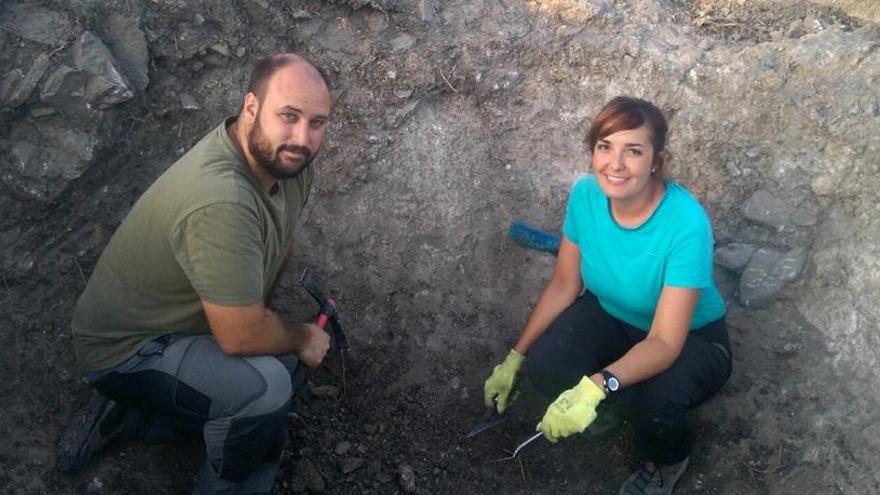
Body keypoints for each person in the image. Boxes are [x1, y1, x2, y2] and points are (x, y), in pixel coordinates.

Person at [57, 53, 334, 495]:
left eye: (317, 123)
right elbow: (240, 338)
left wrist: (259, 315)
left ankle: (142, 416)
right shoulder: (222, 200)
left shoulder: (287, 163)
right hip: (125, 350)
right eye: (289, 116)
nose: (302, 138)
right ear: (250, 108)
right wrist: (299, 335)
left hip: (179, 322)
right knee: (267, 389)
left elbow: (279, 239)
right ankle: (223, 480)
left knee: (282, 367)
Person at [483, 97, 732, 495]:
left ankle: (664, 461)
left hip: (691, 339)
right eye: (605, 147)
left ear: (655, 160)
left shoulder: (685, 224)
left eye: (633, 151)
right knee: (545, 367)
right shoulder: (585, 196)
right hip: (612, 311)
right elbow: (565, 285)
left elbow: (666, 342)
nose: (615, 164)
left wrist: (599, 384)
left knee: (659, 400)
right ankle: (608, 410)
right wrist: (516, 356)